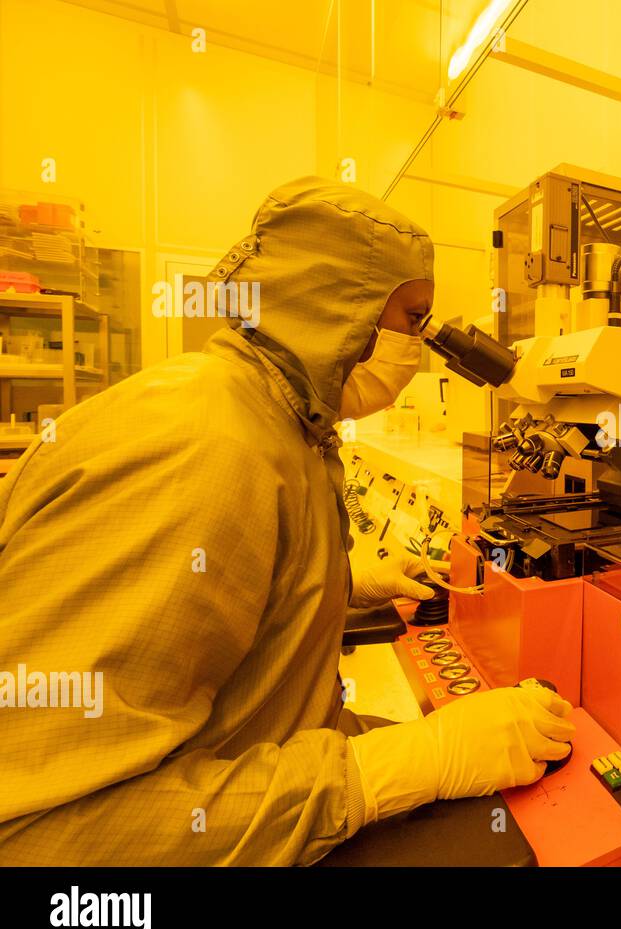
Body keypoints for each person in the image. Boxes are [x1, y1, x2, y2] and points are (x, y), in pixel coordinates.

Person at [0, 178, 574, 865]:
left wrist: (333, 582)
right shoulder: (201, 448)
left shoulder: (273, 417)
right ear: (336, 310)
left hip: (267, 753)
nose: (418, 347)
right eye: (412, 319)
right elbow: (47, 835)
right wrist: (400, 766)